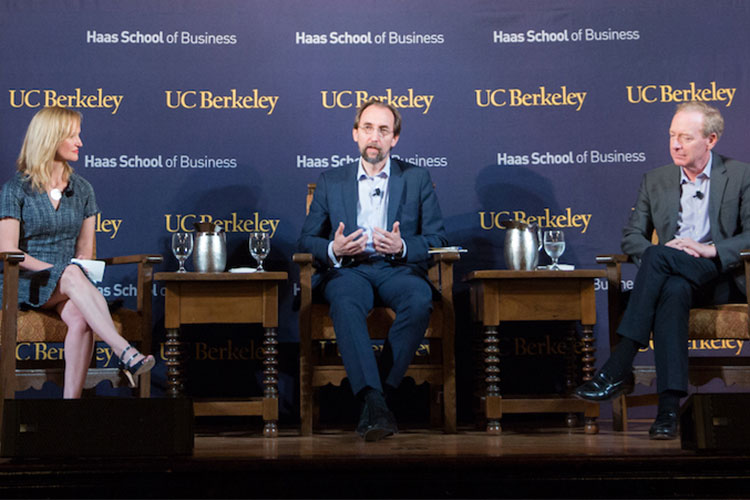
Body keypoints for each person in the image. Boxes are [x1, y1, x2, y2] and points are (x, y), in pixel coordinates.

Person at [574, 101, 750, 439]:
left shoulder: (741, 175)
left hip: (721, 276)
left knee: (658, 260)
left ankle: (617, 366)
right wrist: (662, 253)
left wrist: (709, 248)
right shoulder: (655, 180)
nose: (675, 144)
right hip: (675, 275)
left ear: (710, 140)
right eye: (672, 135)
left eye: (685, 137)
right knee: (671, 288)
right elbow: (632, 236)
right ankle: (668, 413)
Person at [297, 99, 448, 441]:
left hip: (399, 269)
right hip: (349, 270)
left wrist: (404, 246)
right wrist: (333, 249)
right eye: (367, 128)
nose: (374, 137)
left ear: (395, 139)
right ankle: (376, 400)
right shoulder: (331, 181)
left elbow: (438, 238)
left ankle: (376, 397)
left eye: (383, 130)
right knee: (345, 302)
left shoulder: (417, 179)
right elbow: (306, 241)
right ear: (355, 134)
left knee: (419, 300)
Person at [0, 106, 155, 398]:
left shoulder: (83, 189)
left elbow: (85, 251)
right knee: (70, 273)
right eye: (72, 136)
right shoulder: (15, 189)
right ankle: (124, 351)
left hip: (68, 285)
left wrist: (79, 266)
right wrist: (55, 270)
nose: (80, 143)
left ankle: (69, 410)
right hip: (23, 283)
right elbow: (7, 249)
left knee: (80, 317)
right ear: (49, 139)